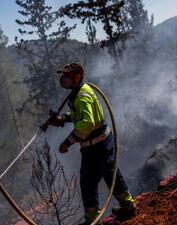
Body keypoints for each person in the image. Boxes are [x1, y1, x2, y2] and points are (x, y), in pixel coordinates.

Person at [51, 63, 136, 224]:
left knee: (91, 181)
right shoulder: (79, 93)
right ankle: (127, 206)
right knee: (109, 175)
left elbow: (88, 123)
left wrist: (67, 142)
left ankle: (93, 219)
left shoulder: (82, 95)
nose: (63, 79)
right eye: (63, 76)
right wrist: (63, 118)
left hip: (96, 146)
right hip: (100, 143)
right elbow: (80, 113)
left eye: (67, 76)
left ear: (77, 76)